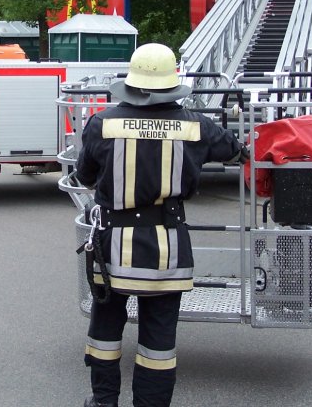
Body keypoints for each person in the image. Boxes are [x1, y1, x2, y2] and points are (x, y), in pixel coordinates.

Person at [76, 43, 244, 407]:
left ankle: (103, 402)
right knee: (158, 341)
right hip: (168, 251)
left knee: (106, 329)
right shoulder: (195, 126)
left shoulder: (102, 123)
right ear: (172, 85)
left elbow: (85, 175)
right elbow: (233, 148)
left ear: (132, 83)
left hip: (112, 247)